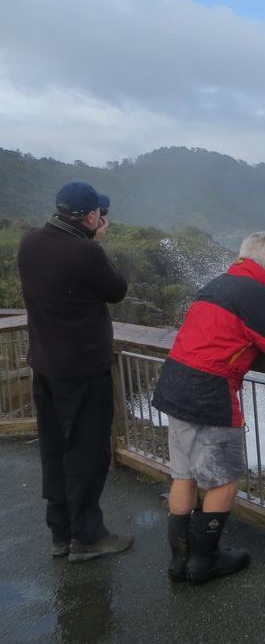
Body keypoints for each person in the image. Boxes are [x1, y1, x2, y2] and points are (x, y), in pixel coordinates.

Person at [151, 232, 265, 583]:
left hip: (175, 382)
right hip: (208, 391)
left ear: (242, 257)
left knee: (183, 474)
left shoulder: (218, 284)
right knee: (223, 478)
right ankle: (204, 562)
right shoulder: (254, 294)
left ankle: (179, 561)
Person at [17, 181, 133, 562]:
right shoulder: (86, 252)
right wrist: (95, 242)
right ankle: (87, 537)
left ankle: (60, 533)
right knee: (86, 452)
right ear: (90, 216)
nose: (103, 219)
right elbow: (116, 290)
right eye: (99, 214)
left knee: (54, 450)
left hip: (45, 367)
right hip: (82, 370)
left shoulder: (30, 242)